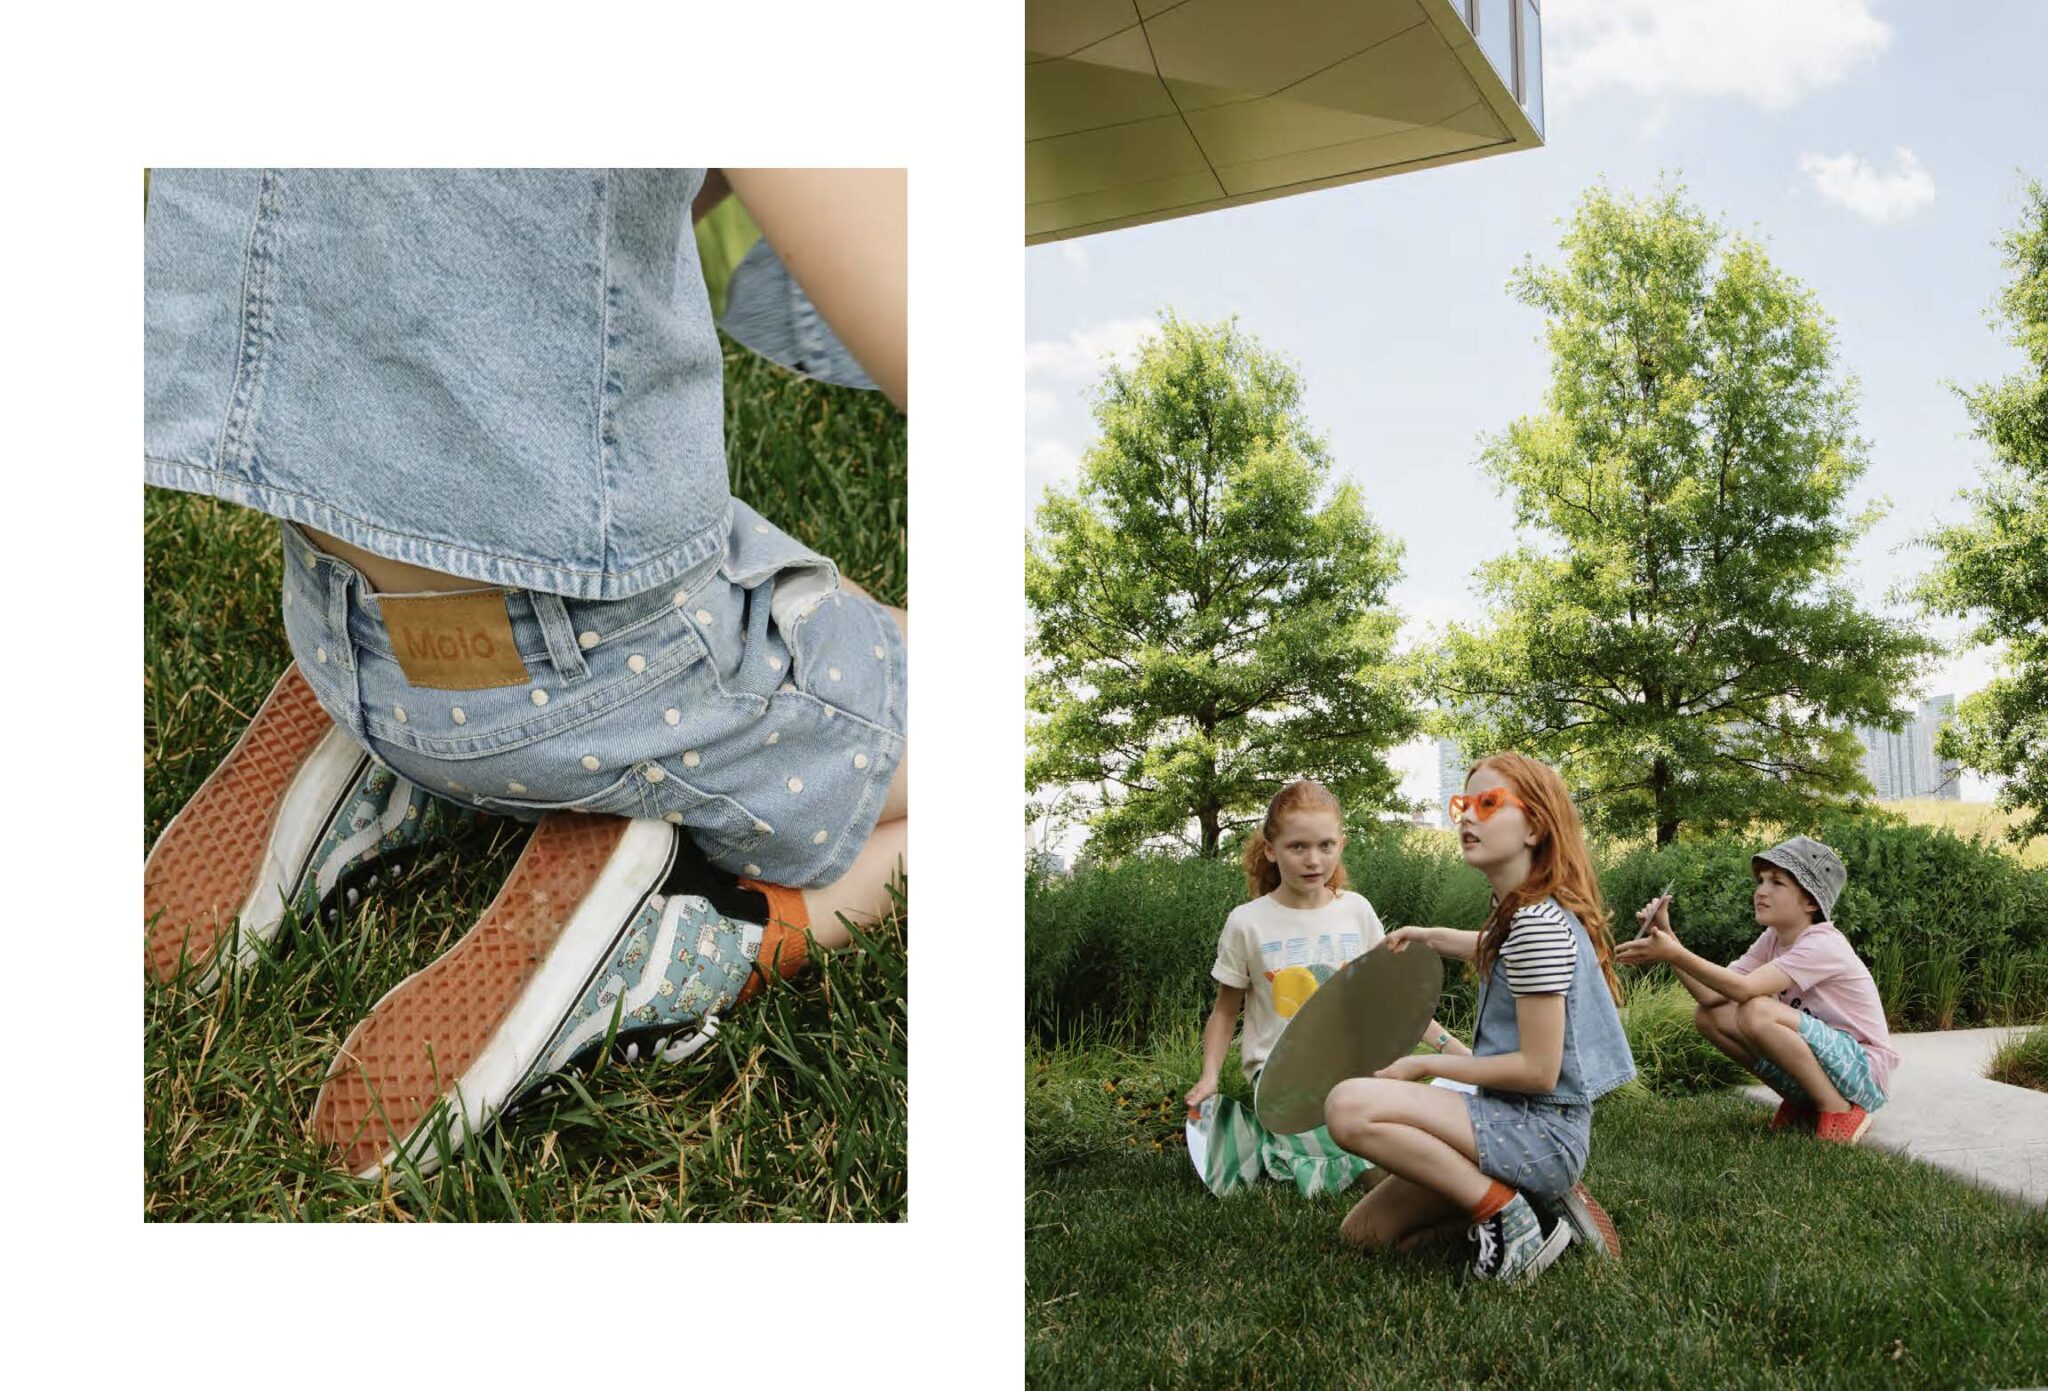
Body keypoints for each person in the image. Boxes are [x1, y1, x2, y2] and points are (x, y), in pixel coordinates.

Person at [142, 168, 907, 1180]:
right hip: (591, 667)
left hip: (336, 613)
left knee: (807, 595)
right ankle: (705, 925)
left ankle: (400, 751)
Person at [1321, 753, 1635, 1283]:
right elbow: (1492, 944)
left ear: (1534, 827)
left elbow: (1539, 1071)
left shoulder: (1535, 926)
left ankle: (1505, 1213)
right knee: (1364, 1234)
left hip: (1541, 1134)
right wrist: (1427, 936)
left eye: (1488, 804)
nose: (1468, 816)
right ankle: (1537, 1215)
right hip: (1510, 1119)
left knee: (1348, 1106)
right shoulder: (1524, 912)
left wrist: (1423, 1066)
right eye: (1463, 805)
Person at [1182, 779, 1467, 1198]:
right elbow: (1225, 1012)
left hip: (1357, 1069)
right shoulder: (1247, 922)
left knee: (1410, 1134)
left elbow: (1389, 1001)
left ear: (1341, 844)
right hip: (1286, 1080)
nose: (1313, 860)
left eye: (1326, 845)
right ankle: (1278, 1145)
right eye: (1298, 847)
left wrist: (1454, 1051)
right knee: (1377, 1160)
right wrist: (1209, 1078)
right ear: (1270, 849)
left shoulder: (1356, 911)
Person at [1616, 835, 1894, 1144]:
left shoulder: (1823, 943)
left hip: (1863, 1069)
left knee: (1756, 1011)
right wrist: (1667, 938)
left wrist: (1674, 953)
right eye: (1761, 881)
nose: (1761, 890)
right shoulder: (1773, 938)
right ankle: (1802, 1102)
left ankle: (1839, 1109)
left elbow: (1744, 989)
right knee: (1710, 1017)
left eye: (1777, 883)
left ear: (1811, 902)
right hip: (1829, 1063)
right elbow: (1711, 995)